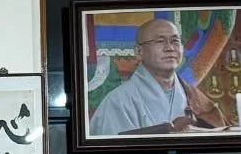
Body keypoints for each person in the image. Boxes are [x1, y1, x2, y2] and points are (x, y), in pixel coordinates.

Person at [89, 18, 226, 136]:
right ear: (139, 52)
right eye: (160, 41)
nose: (170, 48)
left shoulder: (193, 97)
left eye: (175, 41)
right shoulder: (117, 102)